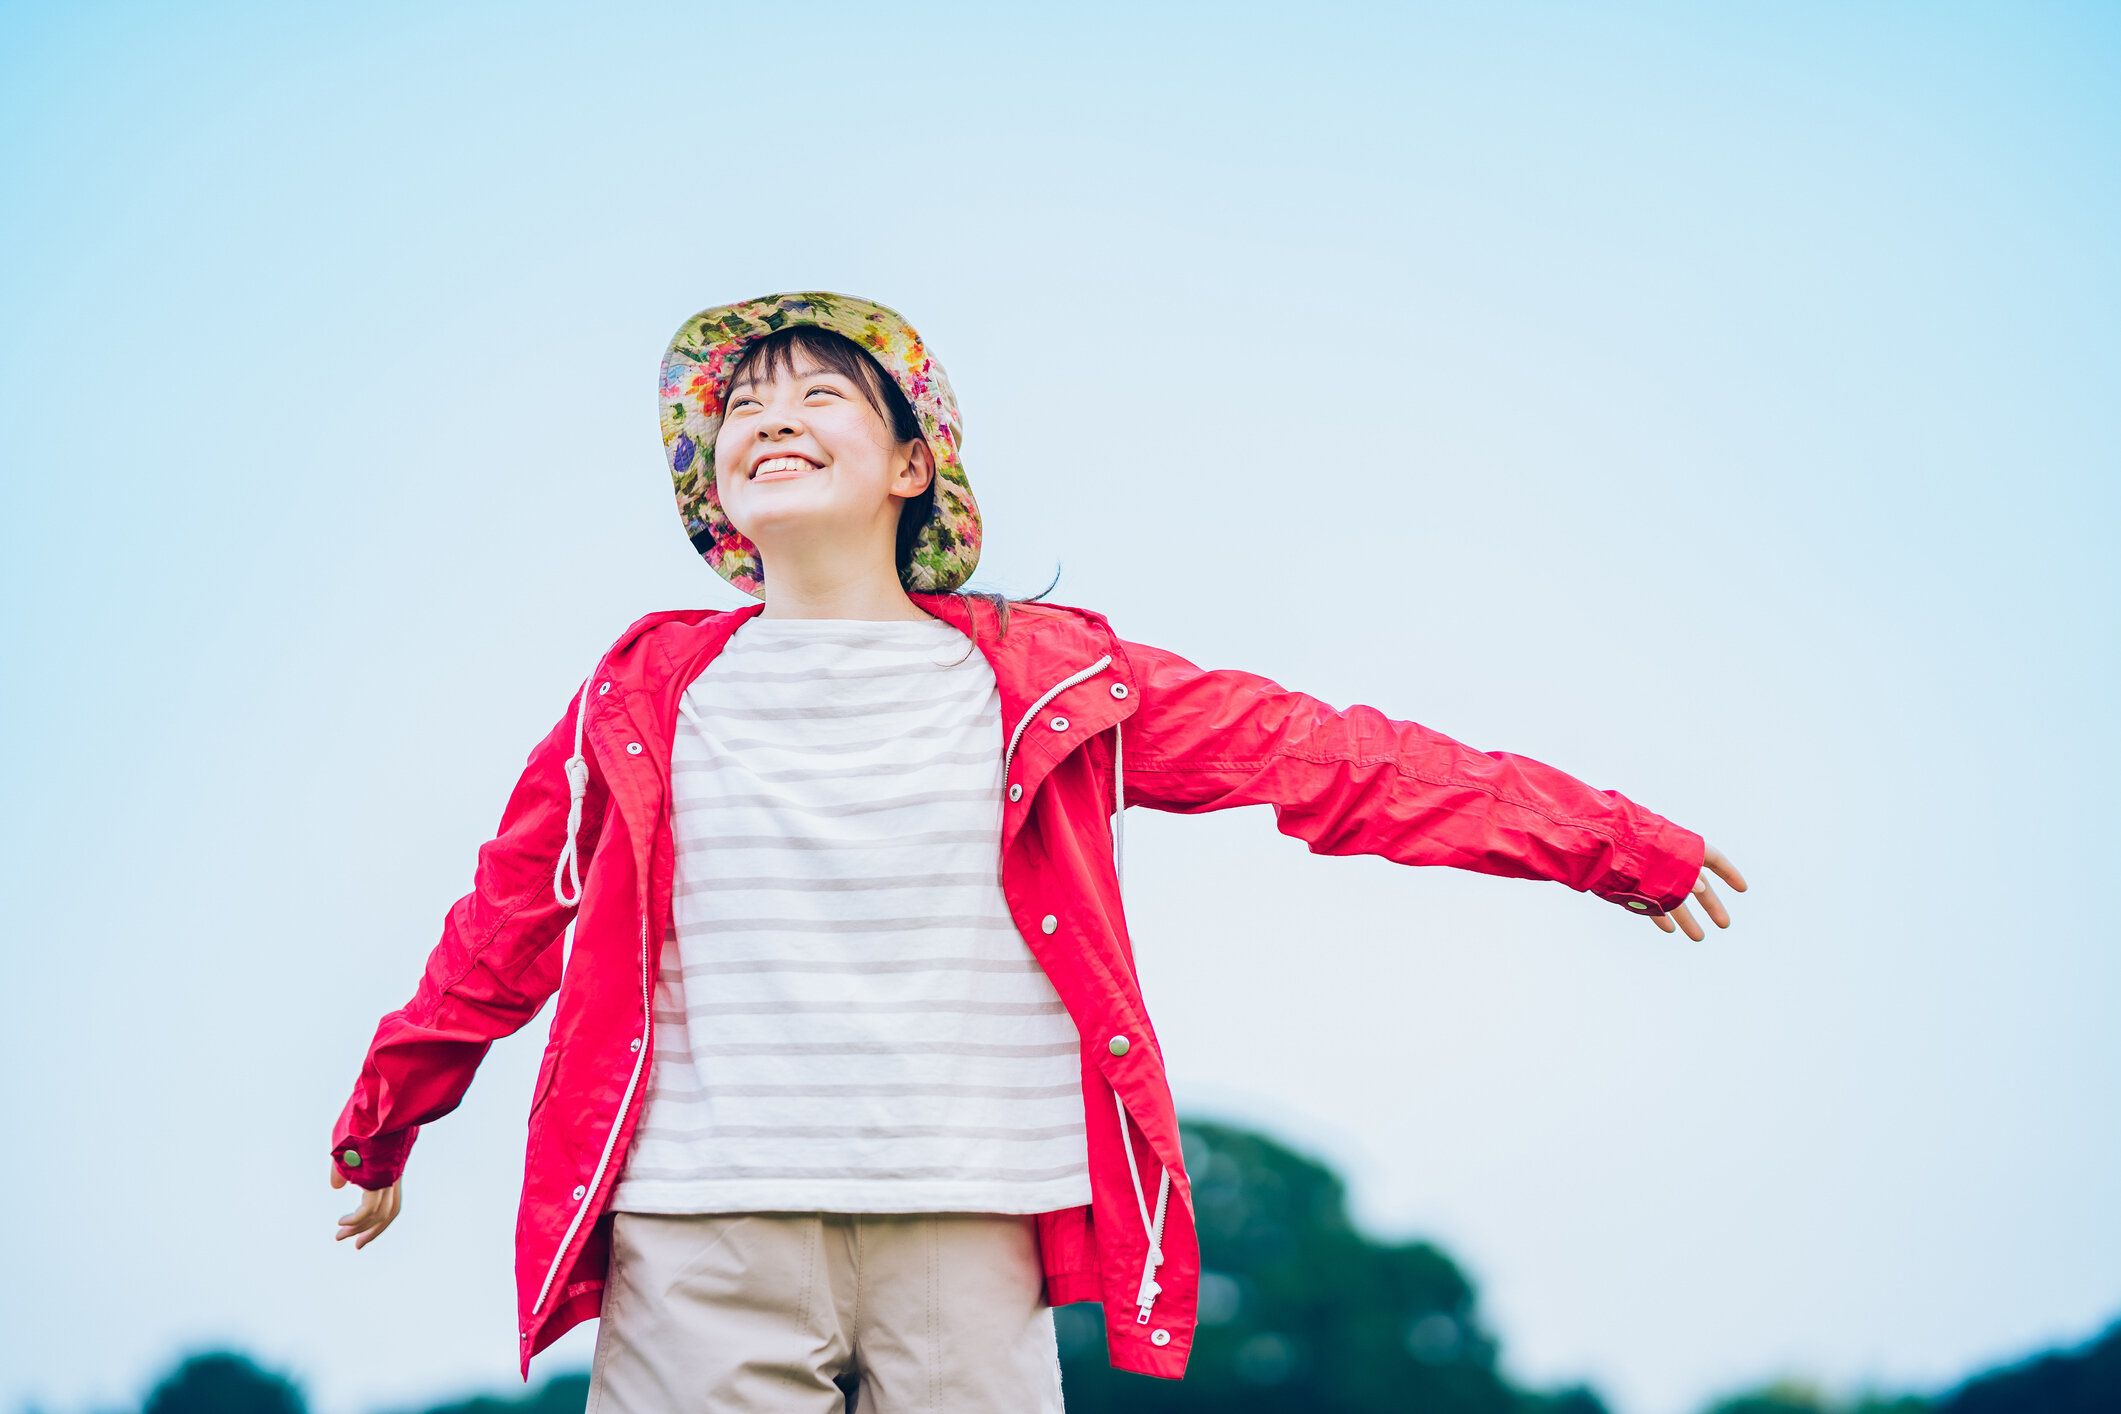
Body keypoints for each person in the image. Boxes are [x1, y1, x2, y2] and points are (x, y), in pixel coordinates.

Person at [328, 291, 1747, 1412]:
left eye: (821, 390)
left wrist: (1608, 842)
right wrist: (387, 1117)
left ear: (908, 463)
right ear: (714, 491)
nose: (771, 416)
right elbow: (505, 928)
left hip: (970, 1222)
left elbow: (1330, 760)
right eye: (739, 409)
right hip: (704, 1229)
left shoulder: (1052, 683)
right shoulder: (634, 696)